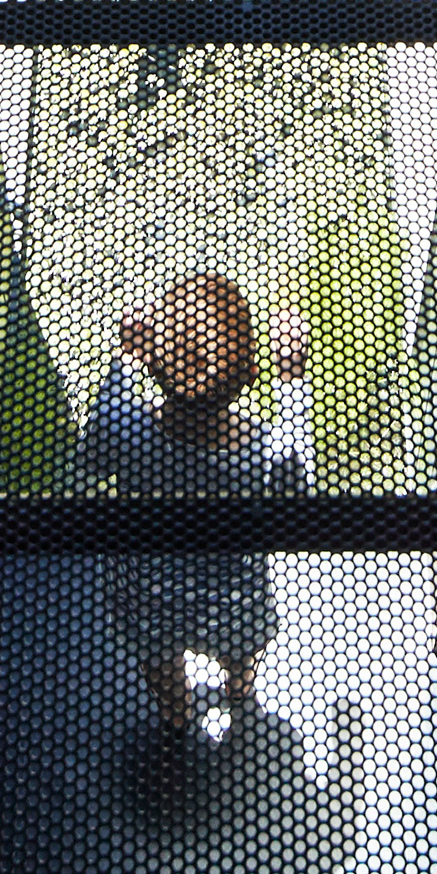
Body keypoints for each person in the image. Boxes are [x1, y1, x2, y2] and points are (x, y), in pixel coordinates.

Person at [78, 273, 312, 731]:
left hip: (147, 593)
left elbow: (93, 454)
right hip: (232, 593)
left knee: (158, 660)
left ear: (152, 365)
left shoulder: (131, 434)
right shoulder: (262, 451)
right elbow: (294, 486)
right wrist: (291, 377)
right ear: (250, 373)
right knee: (241, 646)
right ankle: (239, 686)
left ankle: (176, 713)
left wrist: (125, 356)